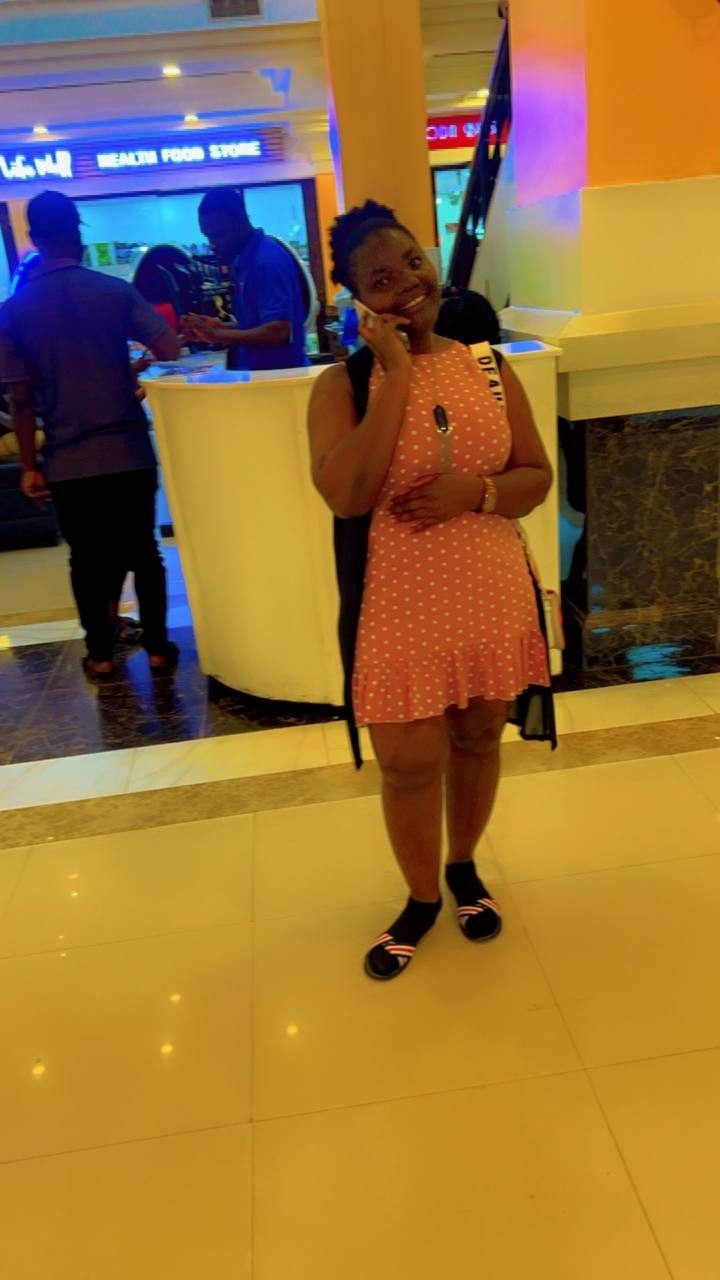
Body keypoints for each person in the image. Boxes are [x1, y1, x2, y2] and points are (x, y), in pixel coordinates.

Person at [308, 200, 554, 981]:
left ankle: (463, 868)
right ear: (356, 298)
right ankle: (419, 900)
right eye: (382, 279)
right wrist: (397, 373)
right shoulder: (342, 384)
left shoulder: (489, 365)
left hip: (489, 587)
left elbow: (536, 477)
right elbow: (347, 492)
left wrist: (476, 492)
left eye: (414, 261)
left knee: (479, 737)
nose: (408, 283)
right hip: (399, 601)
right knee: (409, 763)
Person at [0, 190, 182, 679]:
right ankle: (159, 648)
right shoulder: (113, 292)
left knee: (86, 560)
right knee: (144, 552)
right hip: (127, 452)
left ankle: (100, 654)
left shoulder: (13, 311)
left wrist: (31, 467)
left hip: (67, 461)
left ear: (33, 238)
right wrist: (123, 371)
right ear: (77, 233)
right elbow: (170, 348)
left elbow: (20, 398)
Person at [181, 186, 309, 371]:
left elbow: (279, 331)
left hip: (280, 378)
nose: (212, 245)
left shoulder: (267, 260)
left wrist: (216, 335)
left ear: (240, 223)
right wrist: (219, 327)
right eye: (208, 237)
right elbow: (256, 325)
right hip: (260, 375)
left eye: (218, 235)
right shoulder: (244, 260)